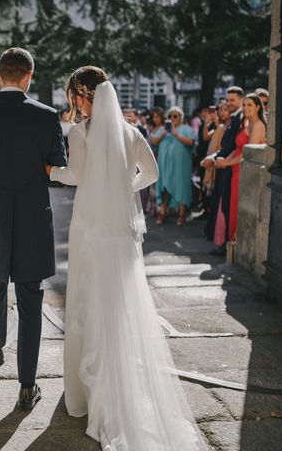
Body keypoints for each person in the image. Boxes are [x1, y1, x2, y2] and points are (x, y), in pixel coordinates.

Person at [47, 66, 207, 451]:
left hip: (90, 227)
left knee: (87, 299)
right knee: (119, 301)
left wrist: (50, 169)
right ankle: (117, 378)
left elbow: (77, 177)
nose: (75, 105)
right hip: (120, 231)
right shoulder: (131, 132)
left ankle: (87, 392)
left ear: (84, 96)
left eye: (75, 97)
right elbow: (149, 174)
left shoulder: (81, 132)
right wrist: (120, 191)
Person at [0, 47, 67, 410]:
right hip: (33, 215)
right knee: (31, 296)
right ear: (29, 76)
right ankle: (27, 384)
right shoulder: (46, 116)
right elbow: (58, 167)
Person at [214, 93, 266, 243]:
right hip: (236, 170)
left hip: (246, 172)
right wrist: (224, 160)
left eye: (249, 105)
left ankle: (236, 246)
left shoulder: (258, 126)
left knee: (239, 209)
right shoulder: (246, 124)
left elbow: (246, 153)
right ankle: (230, 244)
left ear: (257, 107)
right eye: (244, 105)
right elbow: (237, 149)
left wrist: (226, 163)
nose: (245, 108)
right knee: (232, 208)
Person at [202, 86, 244, 254]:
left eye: (232, 100)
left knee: (227, 206)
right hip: (225, 165)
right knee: (223, 205)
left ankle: (227, 245)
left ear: (241, 99)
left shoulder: (240, 118)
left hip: (232, 167)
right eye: (227, 100)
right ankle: (224, 243)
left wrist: (217, 158)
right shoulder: (235, 118)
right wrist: (213, 158)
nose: (229, 103)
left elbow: (232, 146)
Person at [153, 106, 195, 225]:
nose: (172, 118)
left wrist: (176, 135)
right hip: (165, 167)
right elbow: (154, 142)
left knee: (181, 187)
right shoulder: (163, 130)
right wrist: (165, 132)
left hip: (180, 166)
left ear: (181, 117)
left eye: (175, 116)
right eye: (169, 116)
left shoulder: (186, 129)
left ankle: (181, 215)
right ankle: (162, 212)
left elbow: (191, 142)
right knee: (165, 187)